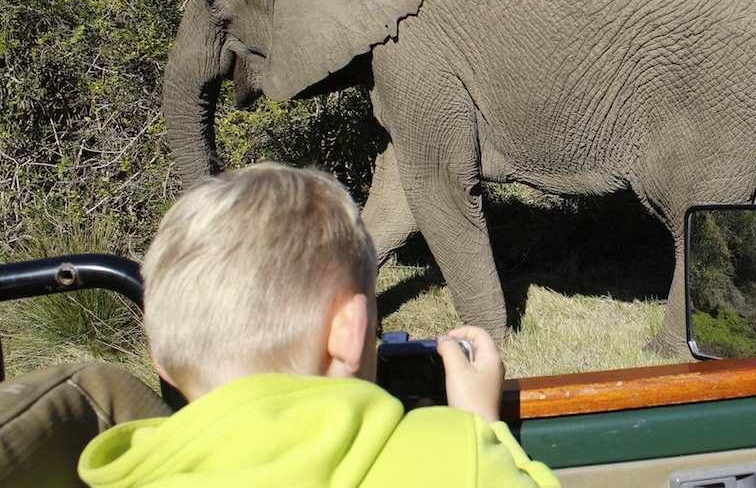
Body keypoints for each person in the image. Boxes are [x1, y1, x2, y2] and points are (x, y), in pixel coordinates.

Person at [77, 162, 560, 487]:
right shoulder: (457, 457)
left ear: (159, 358)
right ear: (351, 331)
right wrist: (482, 427)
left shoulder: (124, 470)